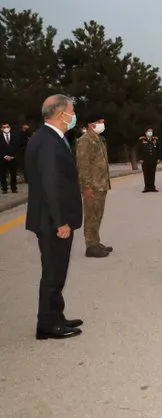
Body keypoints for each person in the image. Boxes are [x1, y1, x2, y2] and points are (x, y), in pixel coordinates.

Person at [25, 94, 84, 340]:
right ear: (61, 114)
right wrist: (60, 221)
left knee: (57, 270)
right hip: (52, 220)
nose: (73, 116)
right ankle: (47, 325)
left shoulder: (51, 137)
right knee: (52, 272)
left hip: (53, 217)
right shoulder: (48, 141)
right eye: (72, 111)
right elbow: (49, 185)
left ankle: (56, 315)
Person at [74, 115, 112, 258]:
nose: (102, 124)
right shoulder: (85, 141)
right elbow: (83, 166)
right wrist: (86, 187)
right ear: (90, 124)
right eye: (99, 122)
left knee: (97, 215)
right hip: (93, 186)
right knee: (91, 216)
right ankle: (90, 246)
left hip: (101, 184)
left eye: (102, 121)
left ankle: (96, 242)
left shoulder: (98, 139)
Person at [1, 122, 21, 194]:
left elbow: (18, 146)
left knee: (13, 174)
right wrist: (4, 156)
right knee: (3, 174)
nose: (6, 128)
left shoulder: (15, 135)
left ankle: (14, 188)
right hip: (3, 158)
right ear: (1, 128)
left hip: (13, 158)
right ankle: (4, 188)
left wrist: (14, 156)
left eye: (7, 127)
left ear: (9, 127)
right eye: (4, 127)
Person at [138, 128, 159, 192]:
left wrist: (158, 158)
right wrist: (140, 158)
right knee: (146, 173)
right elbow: (139, 149)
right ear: (146, 132)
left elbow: (158, 149)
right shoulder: (142, 140)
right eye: (149, 131)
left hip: (153, 159)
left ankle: (152, 187)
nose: (150, 132)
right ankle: (147, 187)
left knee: (152, 174)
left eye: (151, 131)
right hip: (145, 160)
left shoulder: (155, 139)